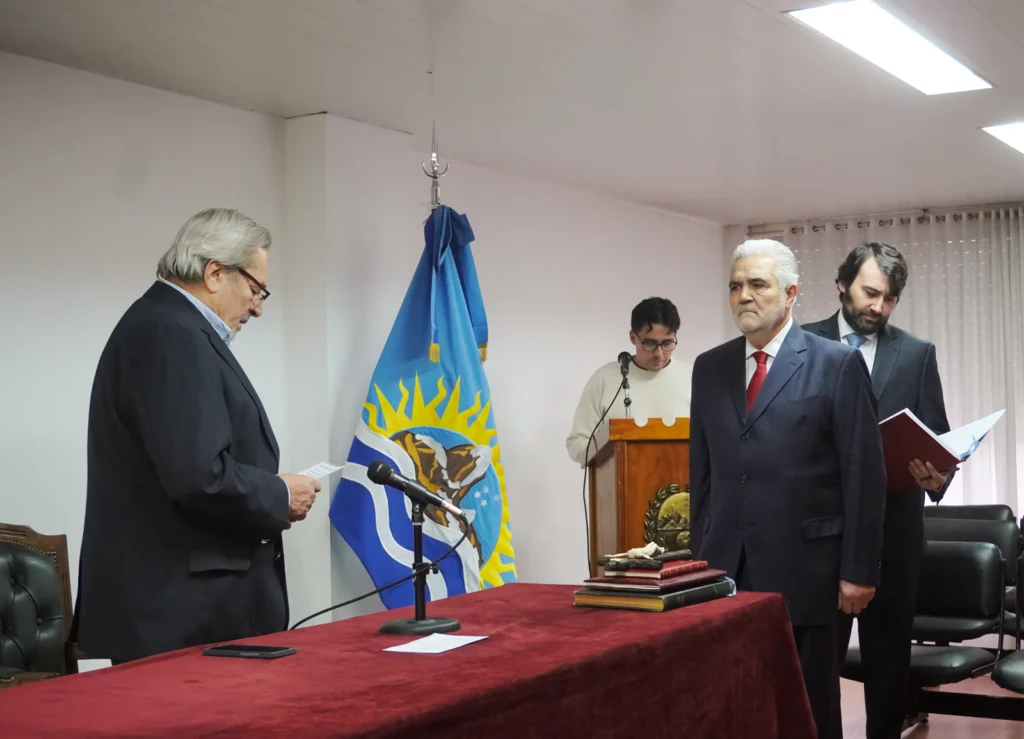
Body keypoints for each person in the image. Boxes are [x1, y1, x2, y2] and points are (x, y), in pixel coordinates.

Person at [72, 207, 322, 663]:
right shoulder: (171, 334)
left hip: (183, 604)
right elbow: (197, 474)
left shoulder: (165, 326)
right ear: (214, 273)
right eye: (255, 288)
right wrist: (277, 493)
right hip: (180, 611)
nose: (258, 307)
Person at [689, 239, 887, 739]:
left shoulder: (835, 364)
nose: (744, 296)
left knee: (809, 713)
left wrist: (858, 571)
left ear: (791, 292)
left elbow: (864, 473)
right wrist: (695, 565)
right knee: (732, 707)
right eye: (735, 286)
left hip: (809, 573)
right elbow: (703, 476)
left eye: (758, 284)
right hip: (724, 573)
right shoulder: (708, 368)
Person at [804, 242, 953, 739]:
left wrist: (940, 476)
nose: (879, 307)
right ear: (842, 284)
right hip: (820, 538)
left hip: (896, 535)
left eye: (890, 299)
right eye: (871, 293)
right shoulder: (799, 345)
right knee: (817, 670)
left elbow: (938, 439)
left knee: (888, 666)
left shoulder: (916, 354)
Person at [566, 297, 692, 466]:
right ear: (633, 337)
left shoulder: (692, 378)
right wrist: (610, 449)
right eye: (650, 343)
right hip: (620, 486)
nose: (659, 354)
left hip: (682, 486)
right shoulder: (605, 379)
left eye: (667, 343)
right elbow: (577, 442)